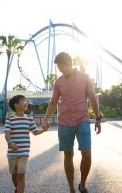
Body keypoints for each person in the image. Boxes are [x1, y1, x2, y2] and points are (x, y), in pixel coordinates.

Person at [42, 52, 102, 193]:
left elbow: (93, 98)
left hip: (82, 120)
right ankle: (71, 188)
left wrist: (98, 118)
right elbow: (53, 102)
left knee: (86, 153)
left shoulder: (85, 77)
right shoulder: (58, 82)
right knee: (68, 155)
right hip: (64, 123)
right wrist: (45, 119)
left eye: (61, 67)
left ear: (68, 64)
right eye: (58, 67)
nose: (60, 70)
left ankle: (82, 184)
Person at [4, 95, 48, 193]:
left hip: (24, 152)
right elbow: (7, 135)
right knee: (14, 175)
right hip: (12, 153)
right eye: (23, 101)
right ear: (16, 105)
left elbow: (35, 132)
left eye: (26, 101)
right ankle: (16, 188)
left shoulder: (29, 119)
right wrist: (10, 144)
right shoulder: (10, 119)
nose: (26, 103)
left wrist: (44, 130)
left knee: (21, 175)